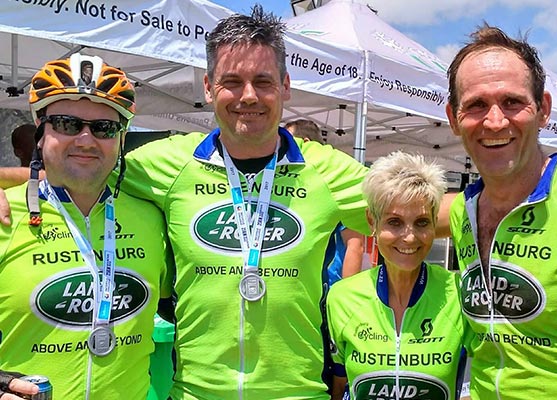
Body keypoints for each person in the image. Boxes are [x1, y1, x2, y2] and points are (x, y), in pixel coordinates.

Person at [0, 6, 454, 399]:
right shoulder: (168, 162)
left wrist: (489, 208)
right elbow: (82, 167)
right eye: (232, 82)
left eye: (263, 81)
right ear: (208, 87)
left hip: (298, 393)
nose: (248, 96)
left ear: (286, 86)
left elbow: (424, 209)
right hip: (195, 393)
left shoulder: (326, 169)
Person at [0, 53, 173, 399]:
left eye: (104, 128)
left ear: (121, 138)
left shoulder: (154, 217)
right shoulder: (6, 215)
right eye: (66, 124)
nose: (85, 140)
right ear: (40, 132)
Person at [445, 24, 557, 399]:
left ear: (543, 109)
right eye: (476, 105)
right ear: (453, 118)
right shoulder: (462, 211)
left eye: (512, 102)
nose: (495, 121)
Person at [327, 151, 470, 400]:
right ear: (372, 222)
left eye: (422, 222)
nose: (409, 237)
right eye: (394, 222)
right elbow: (339, 387)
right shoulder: (342, 298)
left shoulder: (458, 294)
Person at [285, 118, 365, 284]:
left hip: (330, 285)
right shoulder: (294, 183)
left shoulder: (335, 180)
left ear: (306, 143)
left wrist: (346, 293)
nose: (282, 148)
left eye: (289, 142)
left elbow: (355, 245)